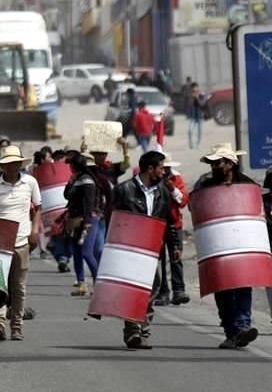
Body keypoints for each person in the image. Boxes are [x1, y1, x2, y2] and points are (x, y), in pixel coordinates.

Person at [110, 151, 180, 350]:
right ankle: (132, 330)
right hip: (130, 250)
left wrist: (174, 245)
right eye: (160, 168)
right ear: (150, 169)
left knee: (152, 288)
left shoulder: (162, 192)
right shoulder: (124, 190)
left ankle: (143, 328)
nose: (163, 172)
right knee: (133, 289)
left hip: (153, 248)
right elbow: (114, 221)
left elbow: (168, 221)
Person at [194, 144, 260, 349]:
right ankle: (231, 331)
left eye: (218, 162)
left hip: (241, 242)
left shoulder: (247, 184)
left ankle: (242, 326)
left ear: (230, 164)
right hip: (217, 243)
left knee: (242, 284)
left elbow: (257, 210)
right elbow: (194, 205)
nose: (214, 166)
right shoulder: (204, 184)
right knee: (222, 288)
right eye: (212, 163)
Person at [0, 145, 41, 341]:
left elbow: (37, 209)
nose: (12, 167)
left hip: (22, 241)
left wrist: (35, 231)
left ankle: (17, 324)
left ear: (20, 164)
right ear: (3, 166)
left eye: (15, 163)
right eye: (8, 164)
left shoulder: (30, 183)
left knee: (19, 287)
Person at [153, 155, 190, 307]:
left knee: (176, 256)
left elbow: (182, 201)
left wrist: (172, 188)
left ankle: (178, 290)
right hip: (158, 223)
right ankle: (163, 291)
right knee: (159, 259)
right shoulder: (152, 180)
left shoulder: (176, 179)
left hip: (175, 223)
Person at [65, 153, 101, 297]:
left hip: (87, 221)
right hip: (74, 221)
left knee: (87, 252)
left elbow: (89, 203)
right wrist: (70, 182)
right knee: (77, 253)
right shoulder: (76, 179)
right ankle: (81, 284)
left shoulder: (88, 181)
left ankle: (98, 285)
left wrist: (87, 222)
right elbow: (66, 195)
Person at [185, 82, 208, 150]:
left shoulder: (202, 95)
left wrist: (197, 98)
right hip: (192, 116)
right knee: (190, 131)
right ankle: (191, 145)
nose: (195, 92)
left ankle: (198, 144)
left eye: (196, 90)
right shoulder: (190, 96)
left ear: (198, 88)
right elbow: (188, 105)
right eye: (193, 90)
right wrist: (192, 98)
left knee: (200, 132)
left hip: (200, 116)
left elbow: (202, 104)